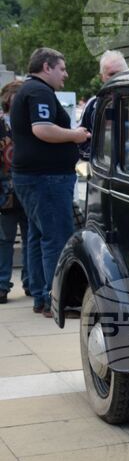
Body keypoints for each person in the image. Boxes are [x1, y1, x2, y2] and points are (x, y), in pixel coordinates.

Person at [10, 47, 90, 317]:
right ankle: (57, 299)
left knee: (37, 236)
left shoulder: (28, 90)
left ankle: (42, 296)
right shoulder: (40, 92)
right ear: (47, 67)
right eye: (62, 68)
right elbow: (42, 129)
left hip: (33, 177)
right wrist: (75, 135)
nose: (65, 74)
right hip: (46, 179)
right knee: (55, 238)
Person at [0, 80, 29, 305]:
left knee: (31, 239)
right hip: (4, 192)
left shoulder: (30, 124)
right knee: (4, 240)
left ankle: (31, 282)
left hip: (28, 189)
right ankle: (2, 286)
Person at [80, 50, 127, 161]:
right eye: (111, 74)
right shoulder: (93, 105)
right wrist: (98, 157)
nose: (116, 78)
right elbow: (81, 142)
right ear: (102, 77)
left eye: (120, 73)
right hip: (103, 170)